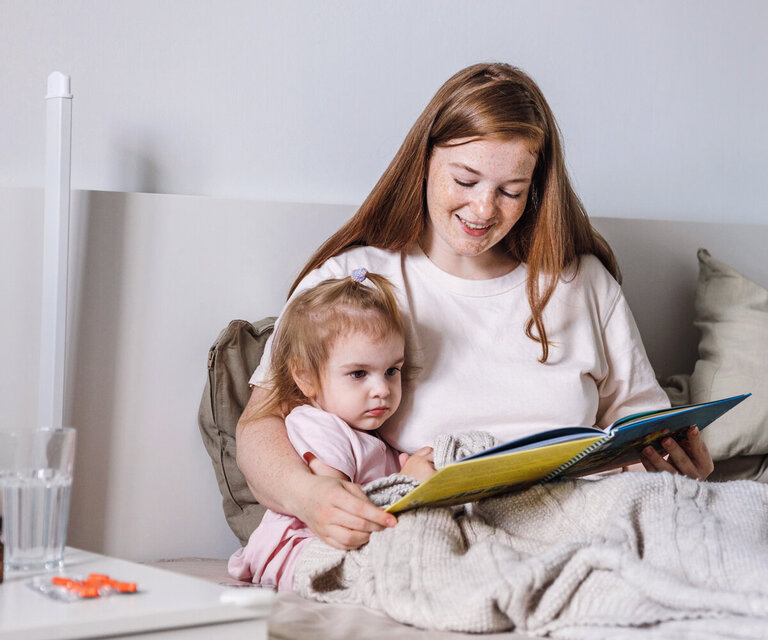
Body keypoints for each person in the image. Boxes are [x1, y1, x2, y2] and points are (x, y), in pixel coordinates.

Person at [236, 62, 714, 552]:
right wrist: (309, 495)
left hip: (586, 525)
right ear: (423, 161)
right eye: (465, 181)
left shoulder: (583, 282)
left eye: (511, 192)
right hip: (442, 533)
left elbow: (639, 432)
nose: (485, 210)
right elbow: (259, 425)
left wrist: (675, 468)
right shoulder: (349, 285)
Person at [228, 271, 435, 589]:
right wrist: (412, 486)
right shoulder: (320, 428)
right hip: (301, 546)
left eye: (392, 370)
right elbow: (343, 509)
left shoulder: (368, 434)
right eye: (358, 374)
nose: (382, 389)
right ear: (305, 377)